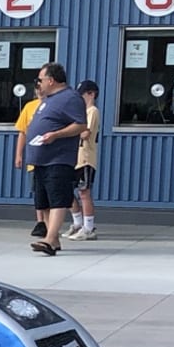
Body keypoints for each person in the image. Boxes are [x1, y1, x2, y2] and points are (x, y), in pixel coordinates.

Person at [22, 63, 89, 256]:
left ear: (51, 80)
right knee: (47, 199)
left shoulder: (70, 98)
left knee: (59, 198)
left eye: (40, 80)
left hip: (58, 158)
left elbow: (80, 125)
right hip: (42, 159)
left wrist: (56, 134)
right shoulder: (49, 99)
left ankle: (50, 239)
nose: (38, 84)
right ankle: (54, 238)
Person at [64, 80, 102, 241]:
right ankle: (77, 223)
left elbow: (85, 133)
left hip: (85, 157)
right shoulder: (79, 112)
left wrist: (69, 133)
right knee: (67, 191)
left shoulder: (92, 111)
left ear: (91, 94)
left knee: (84, 192)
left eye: (83, 94)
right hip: (74, 157)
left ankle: (88, 227)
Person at [11, 87, 46, 239]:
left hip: (50, 157)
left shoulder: (55, 106)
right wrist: (19, 154)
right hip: (34, 157)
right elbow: (22, 132)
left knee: (49, 194)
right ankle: (40, 222)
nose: (39, 92)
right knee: (38, 192)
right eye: (37, 90)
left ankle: (50, 224)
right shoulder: (29, 107)